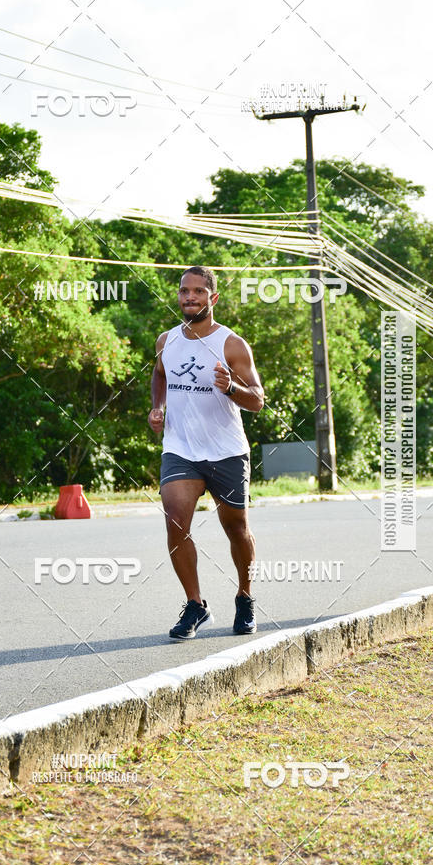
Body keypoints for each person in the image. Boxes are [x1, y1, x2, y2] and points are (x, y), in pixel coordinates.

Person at [148, 265, 265, 640]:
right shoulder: (166, 341)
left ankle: (245, 597)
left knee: (236, 528)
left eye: (199, 291)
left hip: (226, 451)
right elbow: (160, 374)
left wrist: (231, 387)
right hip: (180, 449)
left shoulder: (232, 344)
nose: (190, 297)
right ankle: (195, 605)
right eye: (185, 290)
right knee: (175, 521)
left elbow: (257, 401)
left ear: (212, 298)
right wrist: (158, 407)